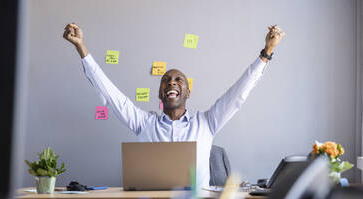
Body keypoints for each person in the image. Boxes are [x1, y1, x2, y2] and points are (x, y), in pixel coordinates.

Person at [63, 23, 285, 188]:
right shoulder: (143, 122)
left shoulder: (207, 122)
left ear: (188, 92)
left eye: (179, 80)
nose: (171, 82)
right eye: (166, 80)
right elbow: (110, 93)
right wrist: (81, 47)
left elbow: (238, 94)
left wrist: (266, 53)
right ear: (160, 93)